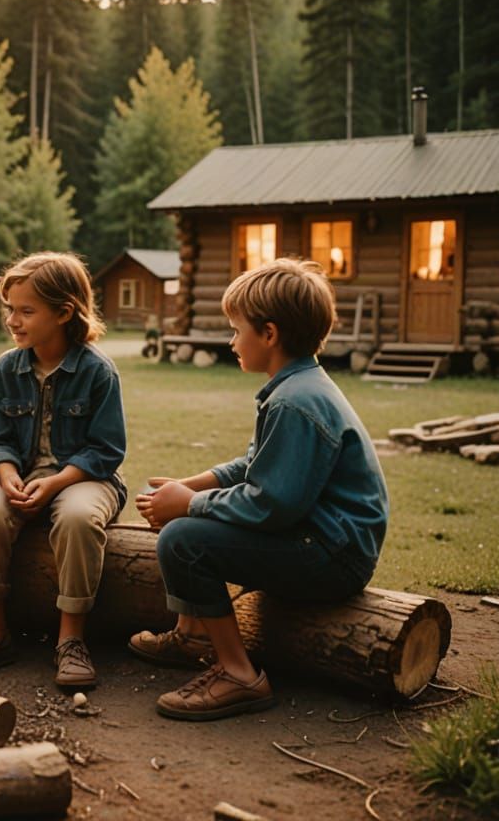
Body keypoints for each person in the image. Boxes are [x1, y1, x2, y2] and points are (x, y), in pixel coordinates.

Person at [130, 258, 388, 721]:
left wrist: (189, 505)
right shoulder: (297, 385)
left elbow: (272, 505)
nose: (232, 341)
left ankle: (238, 674)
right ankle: (191, 635)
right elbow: (254, 465)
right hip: (322, 539)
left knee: (183, 539)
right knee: (187, 523)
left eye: (236, 330)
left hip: (333, 555)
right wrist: (189, 487)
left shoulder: (296, 400)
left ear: (269, 334)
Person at [0, 252, 127, 689]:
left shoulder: (98, 372)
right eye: (10, 309)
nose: (13, 320)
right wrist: (6, 475)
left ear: (64, 312)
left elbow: (107, 449)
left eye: (26, 311)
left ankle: (71, 640)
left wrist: (58, 481)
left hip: (83, 477)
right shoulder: (6, 369)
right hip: (19, 474)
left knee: (79, 519)